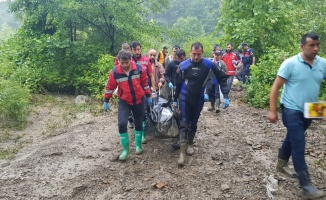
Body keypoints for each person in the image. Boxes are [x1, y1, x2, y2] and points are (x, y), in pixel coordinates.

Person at [268, 32, 325, 199]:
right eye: (311, 45)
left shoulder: (322, 63)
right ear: (302, 46)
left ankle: (281, 162)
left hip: (311, 108)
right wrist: (272, 111)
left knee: (294, 137)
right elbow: (275, 88)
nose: (315, 48)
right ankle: (306, 186)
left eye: (317, 45)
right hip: (291, 108)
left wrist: (324, 110)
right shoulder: (290, 63)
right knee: (299, 143)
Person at [173, 42, 230, 166]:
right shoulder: (183, 65)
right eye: (194, 54)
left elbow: (222, 77)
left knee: (193, 122)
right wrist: (174, 99)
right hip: (184, 98)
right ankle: (182, 154)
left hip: (198, 98)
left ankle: (190, 143)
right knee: (184, 122)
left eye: (198, 54)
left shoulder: (209, 64)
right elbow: (177, 83)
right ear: (190, 52)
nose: (196, 57)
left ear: (202, 53)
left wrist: (225, 95)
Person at [103, 50, 153, 161]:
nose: (125, 65)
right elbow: (110, 87)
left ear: (130, 60)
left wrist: (149, 96)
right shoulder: (115, 72)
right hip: (124, 101)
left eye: (127, 62)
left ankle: (138, 146)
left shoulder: (139, 69)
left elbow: (145, 83)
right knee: (121, 123)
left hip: (139, 100)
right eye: (122, 63)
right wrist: (106, 100)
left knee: (138, 123)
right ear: (118, 61)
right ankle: (125, 150)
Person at [130, 41, 156, 143]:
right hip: (131, 92)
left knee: (143, 112)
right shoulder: (128, 60)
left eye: (138, 49)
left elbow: (151, 75)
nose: (137, 51)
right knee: (133, 113)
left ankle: (143, 135)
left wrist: (153, 89)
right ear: (131, 50)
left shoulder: (146, 60)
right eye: (135, 49)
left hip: (144, 90)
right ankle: (138, 131)